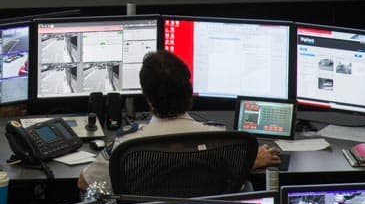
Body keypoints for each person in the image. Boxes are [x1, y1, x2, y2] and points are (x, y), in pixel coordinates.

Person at [78, 49, 281, 192]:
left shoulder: (126, 144)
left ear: (147, 99)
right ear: (190, 92)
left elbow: (84, 183)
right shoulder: (221, 140)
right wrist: (249, 160)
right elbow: (235, 166)